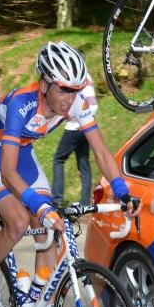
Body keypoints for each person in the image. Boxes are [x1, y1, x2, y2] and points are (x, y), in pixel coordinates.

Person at [0, 41, 139, 307]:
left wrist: (123, 192)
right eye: (62, 90)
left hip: (20, 150)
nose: (69, 98)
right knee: (19, 221)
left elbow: (100, 151)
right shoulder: (22, 104)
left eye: (75, 90)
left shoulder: (75, 103)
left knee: (49, 230)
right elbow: (7, 172)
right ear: (44, 84)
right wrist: (38, 206)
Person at [51, 71, 97, 207]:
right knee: (84, 164)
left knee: (58, 159)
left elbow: (87, 104)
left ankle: (57, 199)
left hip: (75, 126)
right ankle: (85, 203)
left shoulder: (78, 78)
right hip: (86, 125)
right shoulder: (88, 77)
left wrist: (71, 116)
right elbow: (93, 104)